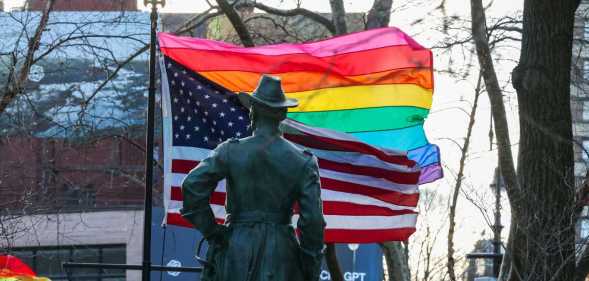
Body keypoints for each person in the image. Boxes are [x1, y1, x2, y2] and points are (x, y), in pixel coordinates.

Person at [180, 75, 326, 281]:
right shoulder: (303, 162)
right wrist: (310, 266)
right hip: (282, 254)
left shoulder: (230, 151)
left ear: (253, 111)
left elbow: (192, 186)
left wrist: (213, 232)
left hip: (235, 248)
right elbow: (312, 221)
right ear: (283, 114)